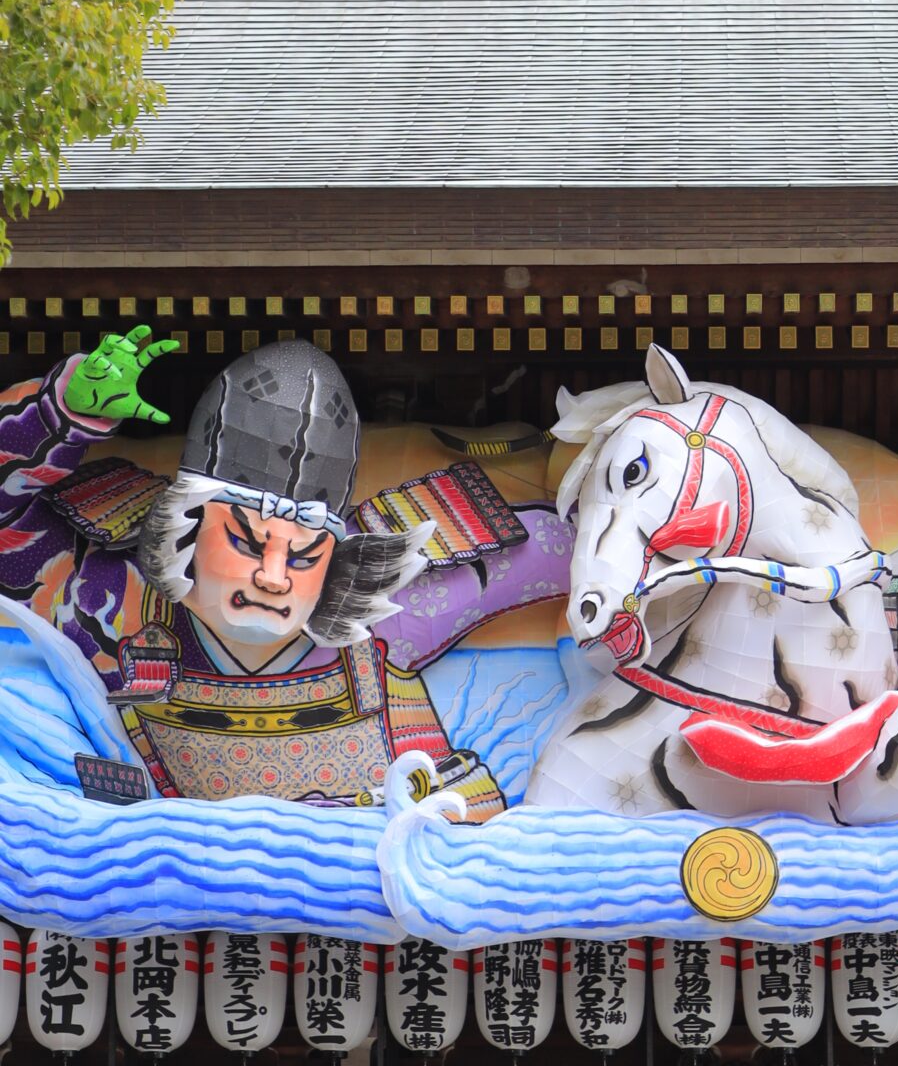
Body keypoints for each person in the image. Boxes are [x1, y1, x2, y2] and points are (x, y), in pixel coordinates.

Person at [0, 327, 571, 811]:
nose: (274, 578)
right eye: (247, 544)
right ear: (185, 527)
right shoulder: (109, 599)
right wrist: (58, 415)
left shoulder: (393, 613)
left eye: (302, 557)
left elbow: (572, 549)